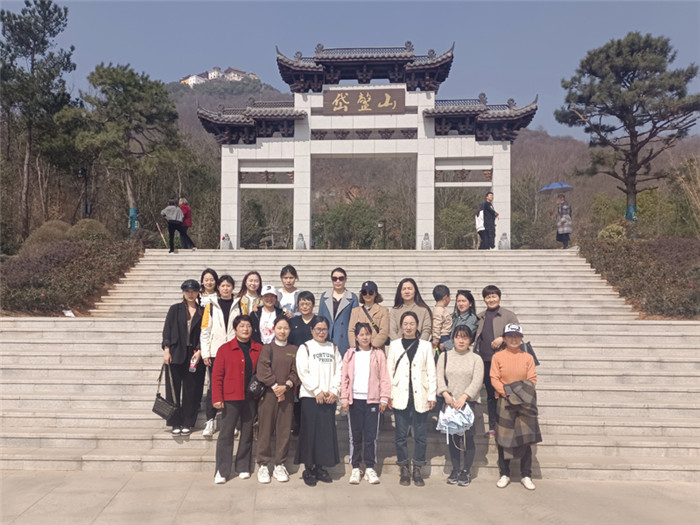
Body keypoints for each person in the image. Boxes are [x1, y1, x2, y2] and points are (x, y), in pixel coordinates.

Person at [386, 311, 437, 487]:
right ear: (401, 326)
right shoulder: (394, 345)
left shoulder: (425, 346)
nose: (408, 327)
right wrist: (388, 395)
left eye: (412, 324)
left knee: (420, 435)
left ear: (417, 326)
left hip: (420, 394)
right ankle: (404, 468)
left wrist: (432, 395)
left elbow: (431, 372)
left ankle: (418, 468)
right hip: (400, 393)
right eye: (405, 324)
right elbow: (389, 371)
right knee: (400, 435)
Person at [212, 315, 262, 484]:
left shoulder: (259, 349)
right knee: (226, 434)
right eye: (241, 326)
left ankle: (243, 466)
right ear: (235, 329)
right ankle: (222, 470)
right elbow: (217, 376)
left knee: (247, 433)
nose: (245, 329)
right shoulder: (225, 349)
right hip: (231, 397)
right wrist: (217, 397)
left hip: (250, 398)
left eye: (248, 326)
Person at [490, 323, 540, 491]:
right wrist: (507, 393)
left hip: (525, 402)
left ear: (521, 339)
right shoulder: (498, 357)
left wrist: (517, 394)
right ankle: (504, 474)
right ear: (504, 339)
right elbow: (494, 378)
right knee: (504, 439)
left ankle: (526, 475)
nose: (513, 339)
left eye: (517, 336)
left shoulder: (528, 357)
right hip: (505, 401)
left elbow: (531, 380)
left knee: (526, 439)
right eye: (510, 336)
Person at [340, 322, 391, 485]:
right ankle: (355, 467)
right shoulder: (350, 354)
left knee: (371, 436)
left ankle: (369, 467)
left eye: (367, 334)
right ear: (356, 337)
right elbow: (344, 378)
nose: (364, 337)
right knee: (355, 436)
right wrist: (344, 398)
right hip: (355, 400)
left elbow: (384, 377)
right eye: (361, 334)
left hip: (372, 401)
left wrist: (384, 398)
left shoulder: (378, 354)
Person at [294, 316, 342, 486]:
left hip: (328, 397)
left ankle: (320, 467)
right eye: (318, 329)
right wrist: (316, 390)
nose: (321, 332)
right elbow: (302, 371)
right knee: (310, 433)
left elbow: (339, 370)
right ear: (312, 330)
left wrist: (334, 390)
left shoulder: (333, 347)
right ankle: (308, 468)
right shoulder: (305, 347)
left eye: (324, 329)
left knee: (324, 434)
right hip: (310, 397)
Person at [436, 325, 483, 487]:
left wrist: (464, 396)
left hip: (468, 403)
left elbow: (477, 380)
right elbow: (439, 377)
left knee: (468, 439)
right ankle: (455, 469)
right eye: (457, 337)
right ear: (453, 339)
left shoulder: (476, 359)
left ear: (470, 340)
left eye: (465, 337)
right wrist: (445, 394)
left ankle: (466, 471)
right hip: (450, 402)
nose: (461, 341)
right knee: (453, 438)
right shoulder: (445, 356)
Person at [255, 316, 299, 484]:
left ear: (290, 330)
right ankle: (263, 465)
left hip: (287, 397)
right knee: (265, 430)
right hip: (268, 395)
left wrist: (286, 387)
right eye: (279, 328)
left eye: (285, 328)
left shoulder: (294, 349)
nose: (282, 331)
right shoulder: (268, 348)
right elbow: (262, 370)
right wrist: (275, 387)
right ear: (273, 329)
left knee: (284, 431)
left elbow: (296, 371)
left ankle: (280, 464)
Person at [160, 279, 206, 435]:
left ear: (198, 292)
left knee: (190, 389)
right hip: (176, 353)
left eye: (194, 291)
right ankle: (174, 422)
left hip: (194, 354)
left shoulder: (203, 311)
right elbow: (167, 330)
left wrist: (200, 350)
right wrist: (166, 350)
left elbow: (206, 332)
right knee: (173, 389)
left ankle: (188, 422)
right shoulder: (175, 309)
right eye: (187, 291)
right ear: (183, 292)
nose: (190, 294)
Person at [474, 285, 519, 438]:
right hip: (486, 362)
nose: (491, 299)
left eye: (494, 296)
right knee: (491, 395)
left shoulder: (509, 316)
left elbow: (518, 335)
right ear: (484, 299)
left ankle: (509, 425)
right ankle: (493, 427)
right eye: (488, 297)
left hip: (505, 362)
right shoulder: (480, 317)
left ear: (499, 297)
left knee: (507, 393)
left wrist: (503, 338)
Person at [200, 275, 237, 438]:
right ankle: (210, 419)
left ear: (233, 287)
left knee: (232, 386)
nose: (226, 288)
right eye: (223, 285)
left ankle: (231, 422)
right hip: (215, 352)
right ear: (218, 288)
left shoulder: (240, 304)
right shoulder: (211, 306)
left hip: (234, 351)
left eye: (228, 285)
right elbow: (205, 331)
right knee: (214, 386)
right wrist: (205, 353)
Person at [288, 291, 318, 436]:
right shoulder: (293, 322)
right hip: (296, 364)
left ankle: (311, 425)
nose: (305, 306)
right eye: (302, 304)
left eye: (308, 303)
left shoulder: (318, 321)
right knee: (297, 396)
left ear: (313, 305)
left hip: (314, 364)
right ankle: (298, 423)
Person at [318, 267, 358, 357]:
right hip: (327, 337)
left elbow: (355, 322)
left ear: (345, 279)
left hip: (344, 339)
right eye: (334, 278)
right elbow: (320, 317)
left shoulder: (352, 298)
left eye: (341, 278)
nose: (338, 281)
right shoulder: (324, 296)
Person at [347, 281, 390, 350]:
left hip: (376, 350)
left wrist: (371, 347)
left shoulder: (383, 311)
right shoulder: (355, 311)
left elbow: (384, 332)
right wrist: (356, 347)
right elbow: (351, 331)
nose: (367, 295)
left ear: (375, 294)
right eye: (364, 292)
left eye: (370, 292)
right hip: (359, 351)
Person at [431, 285, 452, 353]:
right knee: (442, 356)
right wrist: (436, 339)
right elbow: (436, 325)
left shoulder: (441, 309)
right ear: (446, 297)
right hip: (442, 338)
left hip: (444, 337)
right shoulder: (438, 310)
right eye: (449, 296)